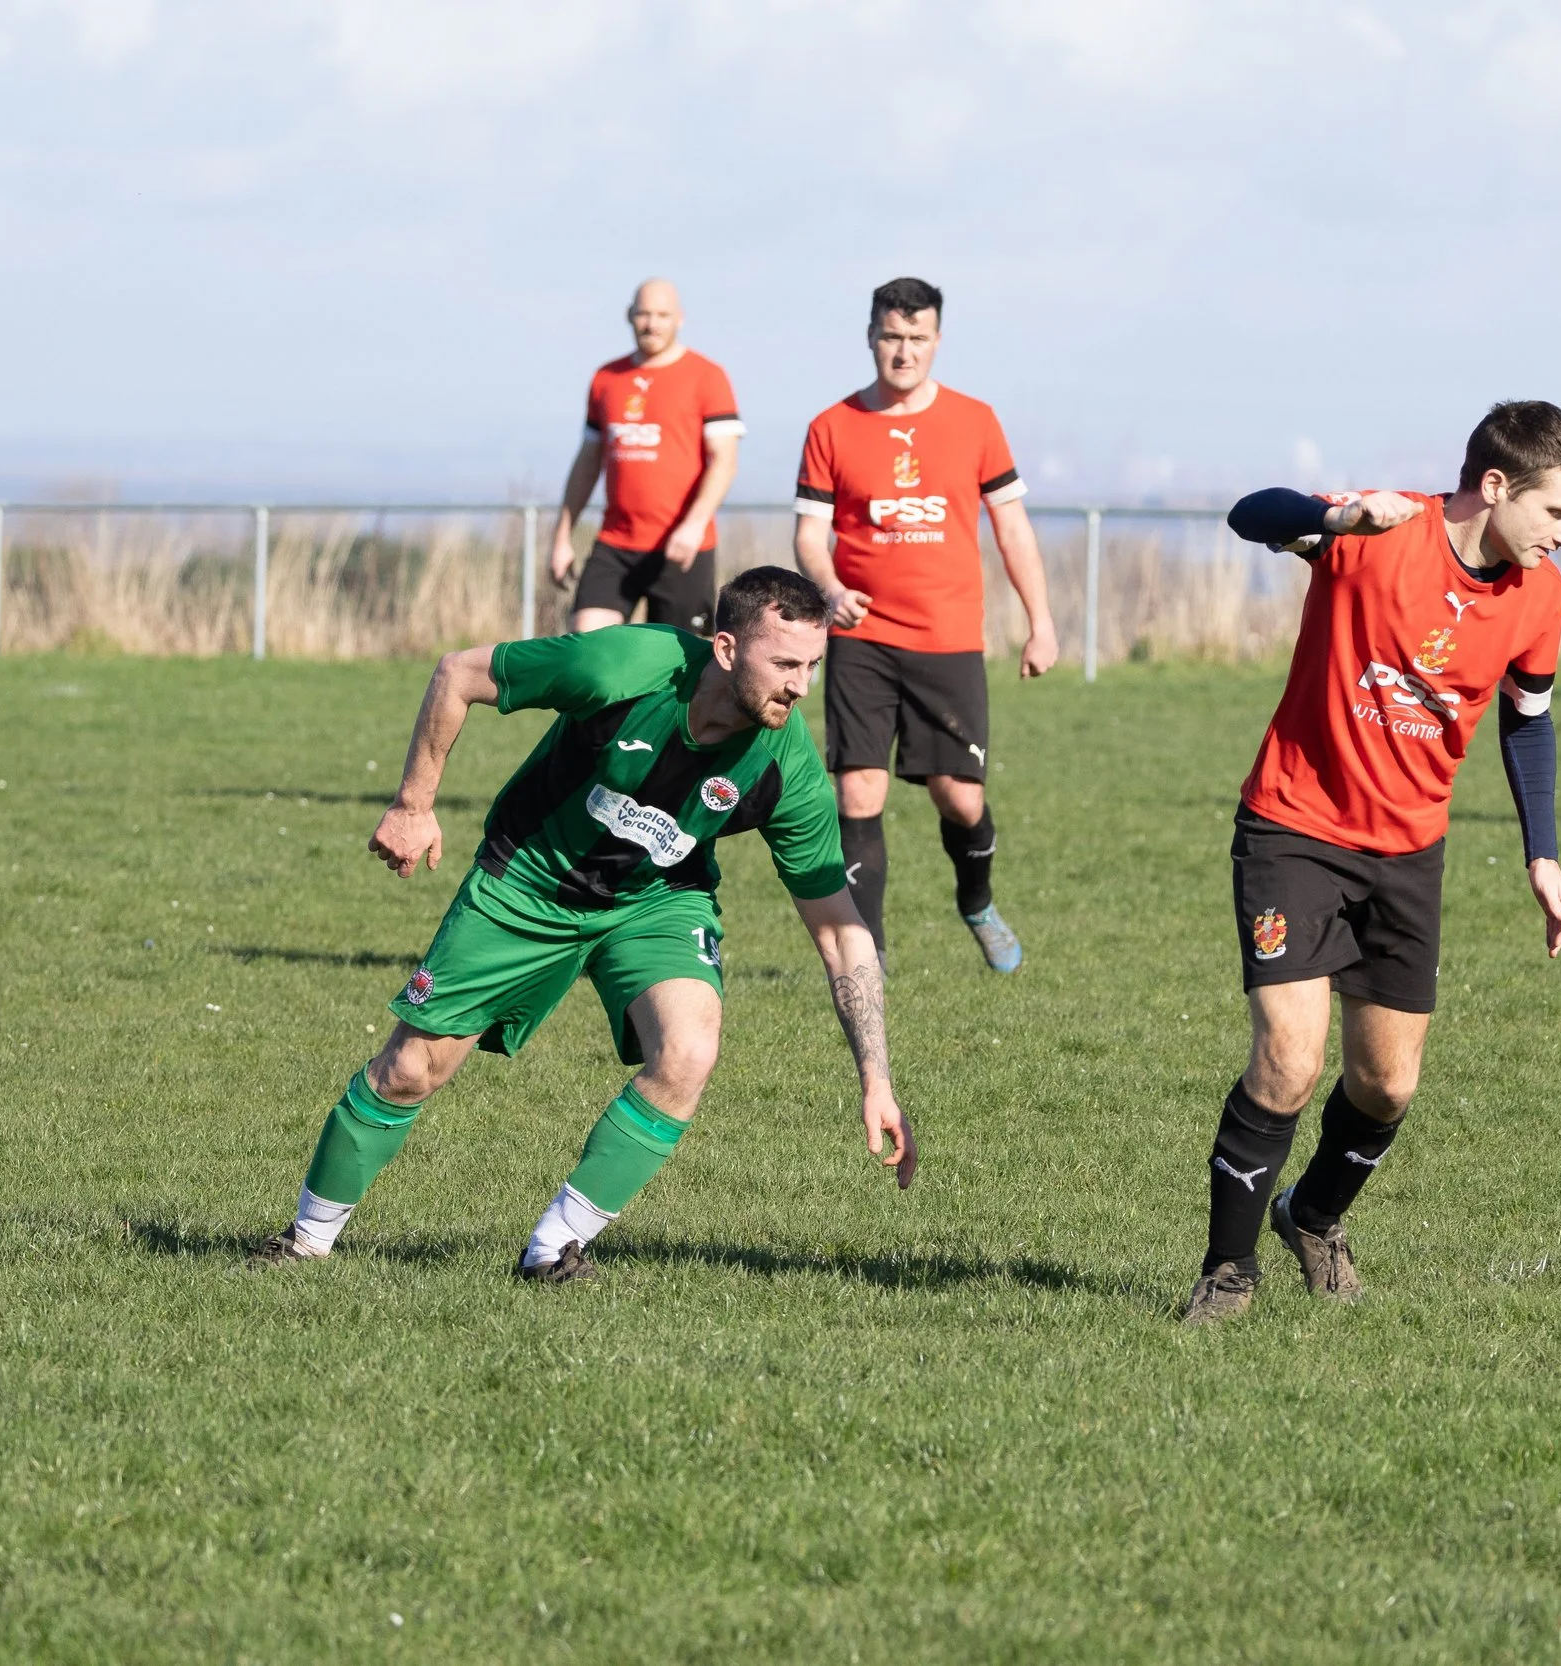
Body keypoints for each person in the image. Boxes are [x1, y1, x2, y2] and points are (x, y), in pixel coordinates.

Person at [251, 567, 913, 1282]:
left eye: (814, 665)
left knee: (688, 1054)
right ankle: (305, 1243)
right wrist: (414, 804)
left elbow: (842, 931)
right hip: (529, 879)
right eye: (785, 663)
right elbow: (460, 673)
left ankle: (552, 1249)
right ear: (725, 649)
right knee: (412, 1070)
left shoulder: (786, 766)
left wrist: (876, 1079)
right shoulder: (622, 667)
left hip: (656, 901)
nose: (801, 685)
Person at [1183, 402, 1561, 1325]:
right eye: (1557, 515)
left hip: (1409, 853)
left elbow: (1528, 722)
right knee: (1289, 1059)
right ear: (1495, 489)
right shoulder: (1380, 530)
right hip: (1294, 827)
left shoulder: (1539, 597)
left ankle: (1312, 1217)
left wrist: (1545, 856)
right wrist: (1330, 519)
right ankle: (1227, 1271)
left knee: (1387, 1084)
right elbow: (1251, 513)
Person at [792, 276, 1058, 974]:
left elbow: (1012, 527)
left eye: (917, 338)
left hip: (948, 640)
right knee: (857, 788)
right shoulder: (831, 427)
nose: (903, 351)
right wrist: (830, 589)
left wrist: (1042, 622)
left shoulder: (975, 421)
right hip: (863, 639)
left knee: (959, 797)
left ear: (937, 341)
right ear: (871, 337)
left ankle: (977, 901)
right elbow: (810, 537)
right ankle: (865, 954)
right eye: (891, 336)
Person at [547, 279, 746, 635]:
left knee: (680, 670)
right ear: (629, 316)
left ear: (679, 319)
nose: (651, 324)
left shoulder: (707, 376)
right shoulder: (606, 378)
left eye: (662, 315)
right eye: (643, 314)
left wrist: (694, 524)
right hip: (616, 542)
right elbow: (588, 461)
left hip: (681, 546)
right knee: (588, 645)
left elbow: (724, 461)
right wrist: (562, 536)